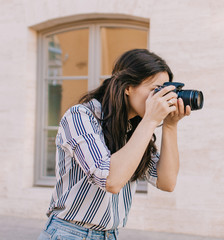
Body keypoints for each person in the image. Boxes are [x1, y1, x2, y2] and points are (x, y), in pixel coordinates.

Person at [38, 49, 191, 240]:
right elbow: (110, 180)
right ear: (128, 87)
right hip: (69, 233)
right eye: (156, 90)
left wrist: (170, 125)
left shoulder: (135, 129)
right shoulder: (80, 117)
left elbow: (167, 182)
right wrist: (150, 121)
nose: (161, 98)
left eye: (166, 92)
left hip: (110, 235)